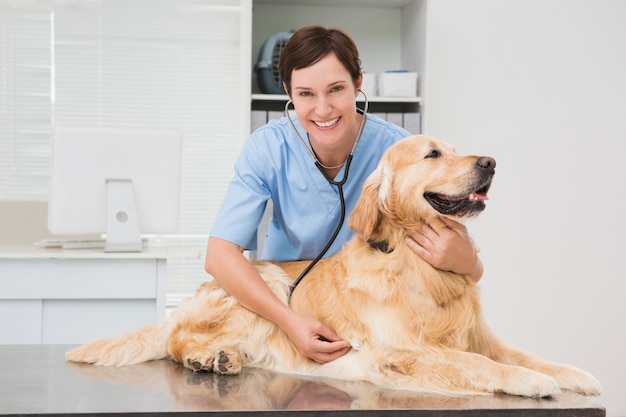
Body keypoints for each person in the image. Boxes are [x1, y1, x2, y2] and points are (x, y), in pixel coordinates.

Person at [205, 25, 483, 364]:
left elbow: (436, 247)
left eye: (336, 89)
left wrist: (470, 263)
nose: (322, 109)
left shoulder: (396, 150)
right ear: (287, 91)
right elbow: (219, 255)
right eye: (306, 94)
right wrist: (289, 321)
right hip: (288, 305)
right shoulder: (267, 148)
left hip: (374, 321)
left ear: (358, 83)